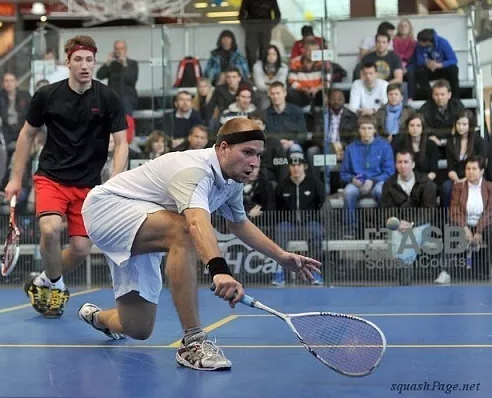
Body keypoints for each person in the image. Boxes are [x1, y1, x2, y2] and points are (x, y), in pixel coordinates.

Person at [77, 117, 321, 371]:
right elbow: (195, 224)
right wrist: (220, 271)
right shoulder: (195, 172)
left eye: (258, 155)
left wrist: (282, 256)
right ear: (224, 147)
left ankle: (97, 317)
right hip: (107, 209)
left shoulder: (232, 181)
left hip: (147, 222)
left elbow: (239, 223)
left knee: (138, 328)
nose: (254, 162)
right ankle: (192, 342)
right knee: (182, 232)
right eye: (247, 152)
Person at [4, 35, 130, 319]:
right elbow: (26, 134)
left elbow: (122, 143)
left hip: (88, 185)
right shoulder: (47, 96)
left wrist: (114, 183)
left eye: (89, 60)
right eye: (78, 60)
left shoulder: (108, 98)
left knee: (81, 249)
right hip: (51, 177)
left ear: (95, 63)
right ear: (68, 62)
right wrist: (15, 178)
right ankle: (58, 286)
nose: (84, 66)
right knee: (50, 229)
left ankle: (43, 280)